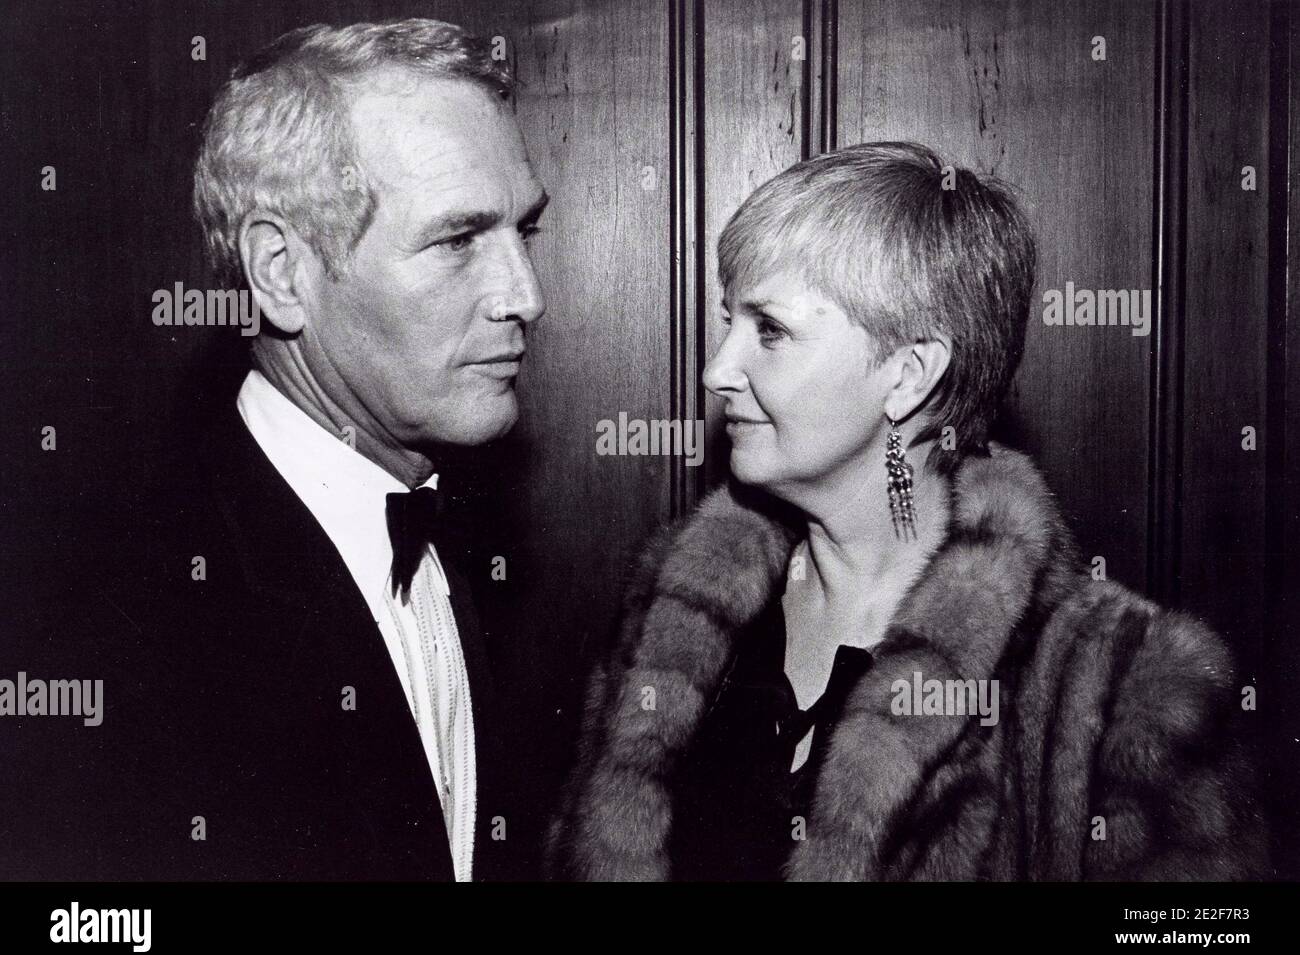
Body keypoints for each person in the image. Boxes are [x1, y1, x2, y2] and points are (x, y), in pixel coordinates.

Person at [550, 142, 1271, 881]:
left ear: (908, 375)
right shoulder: (676, 614)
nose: (717, 369)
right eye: (729, 320)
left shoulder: (1124, 686)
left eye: (769, 329)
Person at [3, 18, 547, 881]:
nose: (525, 294)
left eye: (527, 233)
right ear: (282, 273)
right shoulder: (116, 623)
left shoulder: (463, 542)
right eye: (457, 240)